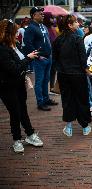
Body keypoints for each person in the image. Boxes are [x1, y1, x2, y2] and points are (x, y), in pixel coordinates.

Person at [0, 19, 43, 153]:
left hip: (18, 84)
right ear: (9, 33)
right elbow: (14, 68)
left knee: (22, 109)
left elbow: (19, 63)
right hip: (7, 86)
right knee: (15, 112)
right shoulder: (2, 49)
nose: (18, 34)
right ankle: (17, 140)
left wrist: (29, 57)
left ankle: (30, 135)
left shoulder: (14, 45)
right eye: (15, 32)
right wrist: (28, 58)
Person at [52, 15, 92, 136]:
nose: (78, 24)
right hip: (78, 75)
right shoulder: (78, 39)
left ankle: (69, 127)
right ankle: (85, 126)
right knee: (82, 99)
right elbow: (82, 58)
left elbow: (55, 59)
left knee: (67, 99)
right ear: (69, 25)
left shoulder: (57, 40)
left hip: (63, 74)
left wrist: (61, 69)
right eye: (75, 22)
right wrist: (87, 70)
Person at [24, 7, 58, 111]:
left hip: (48, 57)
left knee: (46, 80)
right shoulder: (30, 28)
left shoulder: (43, 26)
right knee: (39, 81)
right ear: (34, 15)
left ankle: (46, 99)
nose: (43, 15)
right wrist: (38, 56)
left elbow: (47, 41)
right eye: (40, 13)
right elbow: (27, 44)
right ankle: (40, 102)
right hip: (40, 60)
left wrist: (50, 54)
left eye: (43, 13)